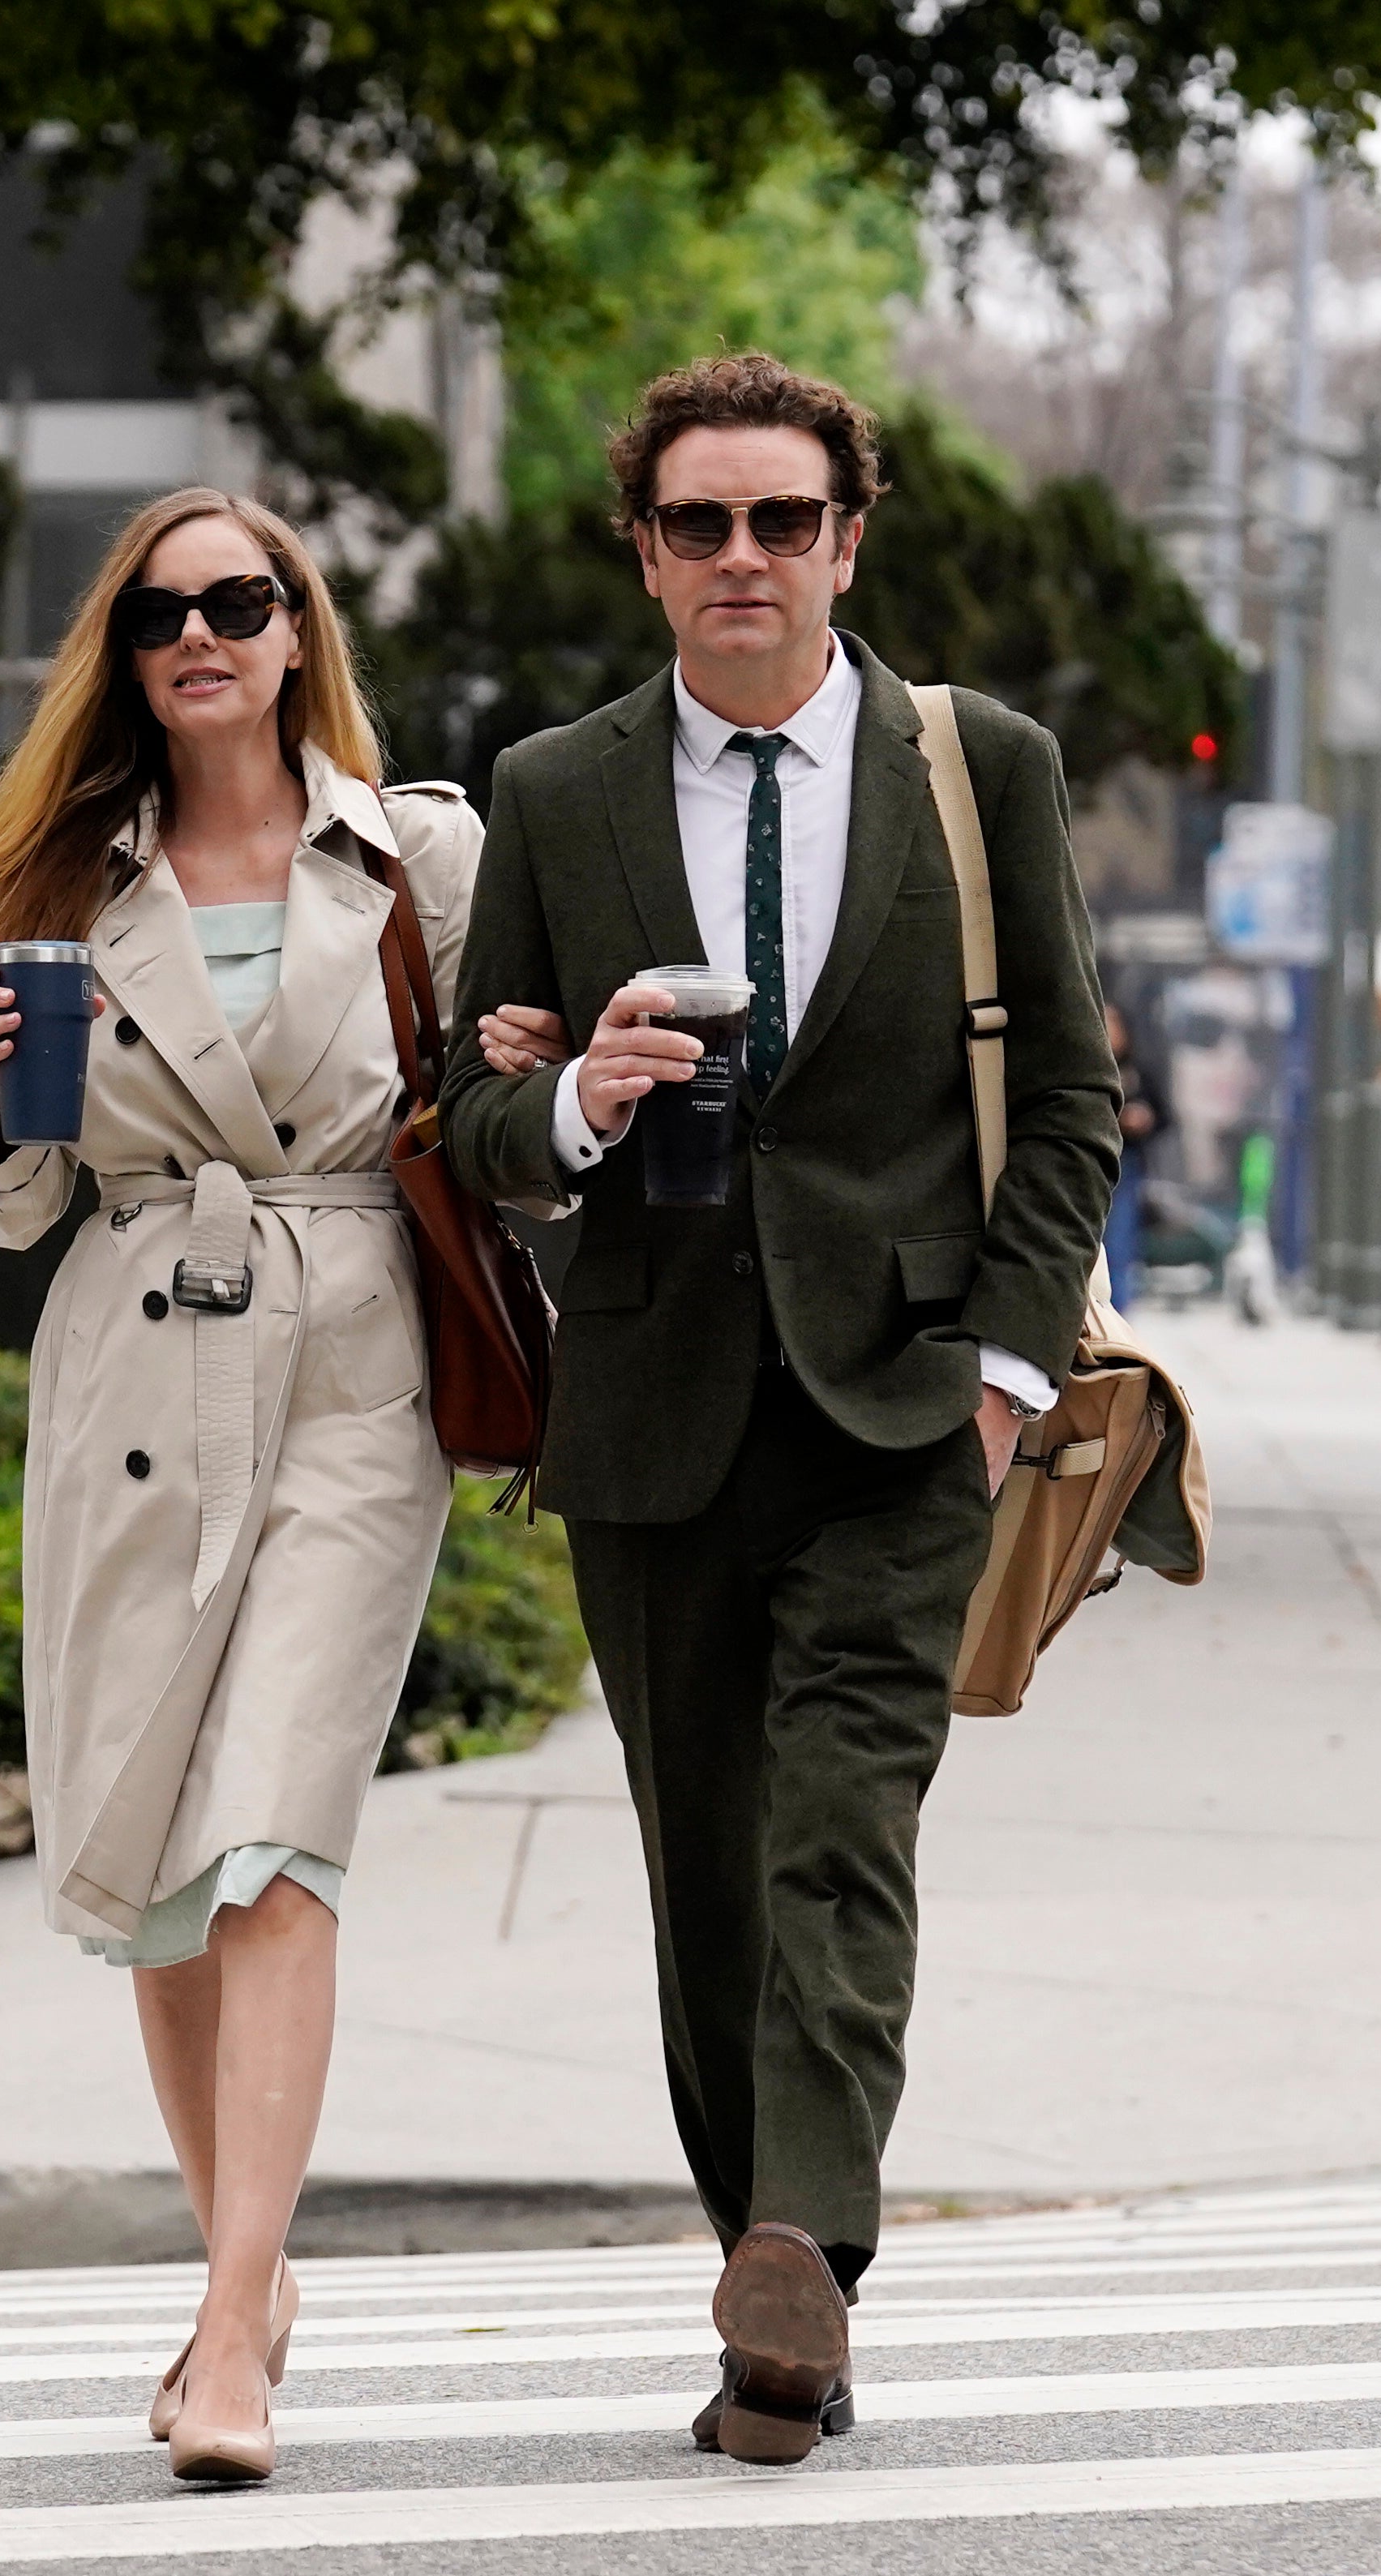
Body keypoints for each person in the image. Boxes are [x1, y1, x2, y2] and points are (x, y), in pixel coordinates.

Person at [441, 354, 1119, 2466]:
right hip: (649, 1404)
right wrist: (567, 1097)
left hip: (907, 1401)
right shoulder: (551, 790)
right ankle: (771, 2246)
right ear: (644, 554)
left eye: (781, 518)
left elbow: (1073, 1098)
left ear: (846, 535)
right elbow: (470, 1131)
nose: (742, 556)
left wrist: (1006, 1374)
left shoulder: (970, 765)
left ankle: (799, 2250)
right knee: (705, 1871)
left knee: (840, 1826)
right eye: (698, 523)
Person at [0, 486, 483, 2488]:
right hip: (135, 1355)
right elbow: (13, 1204)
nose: (201, 634)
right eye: (162, 610)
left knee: (275, 1838)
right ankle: (237, 2273)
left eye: (237, 601)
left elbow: (481, 1115)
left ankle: (235, 2330)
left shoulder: (419, 850)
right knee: (163, 1863)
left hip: (351, 1360)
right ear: (128, 648)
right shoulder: (62, 871)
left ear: (292, 626)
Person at [1100, 997, 1173, 1314]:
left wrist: (1144, 1119)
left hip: (1126, 1166)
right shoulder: (1085, 1071)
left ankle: (1117, 1313)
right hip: (1090, 1165)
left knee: (1120, 1244)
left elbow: (1165, 1115)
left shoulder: (1138, 1072)